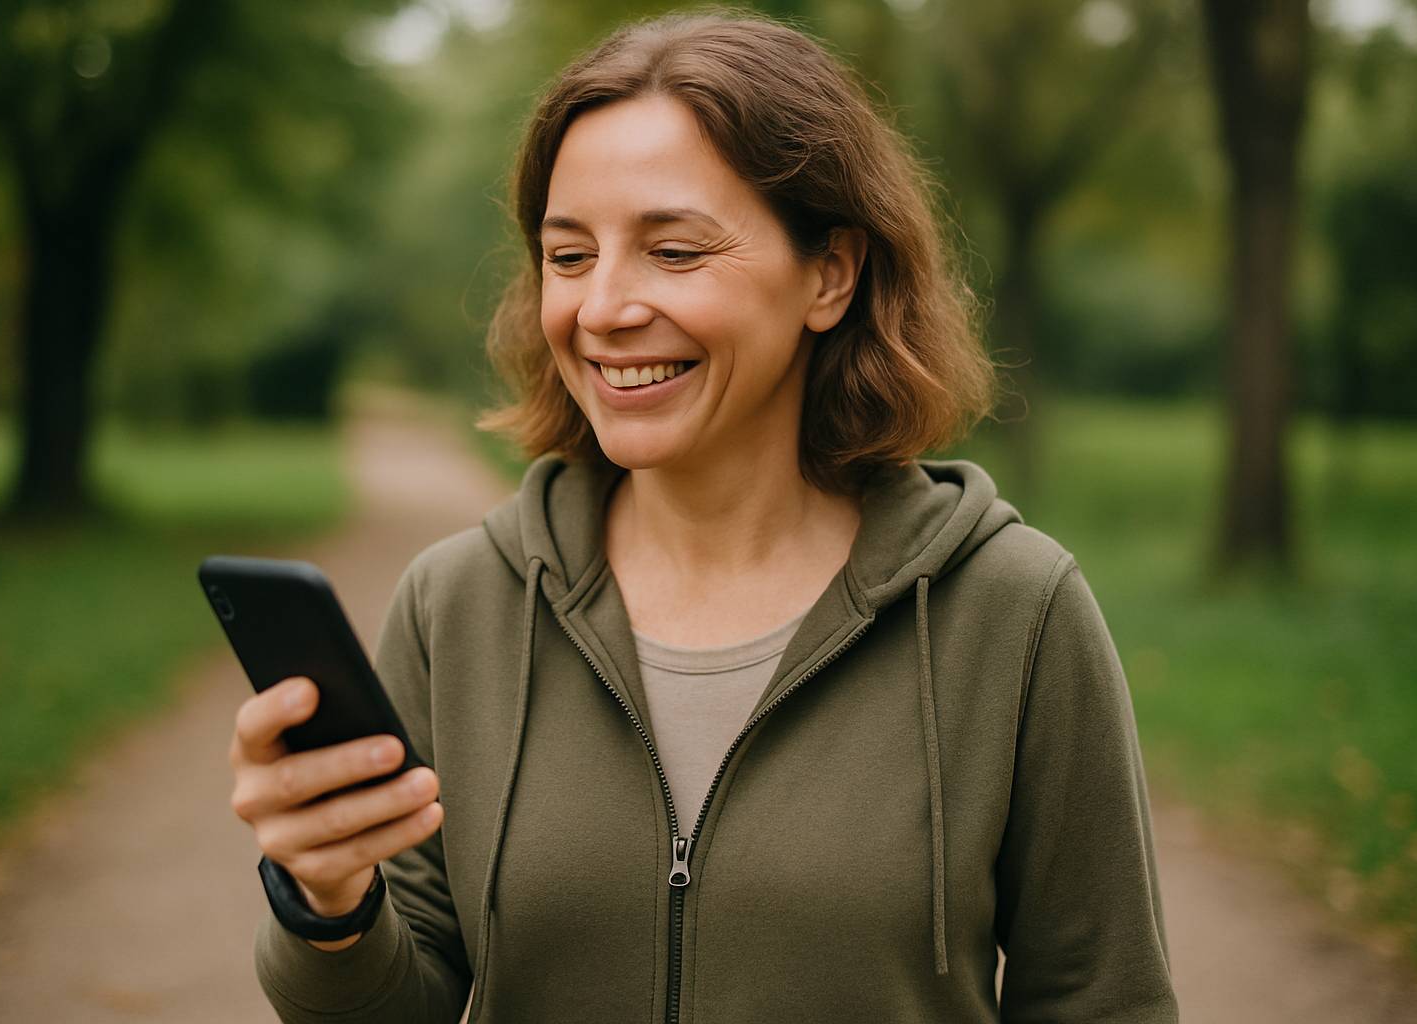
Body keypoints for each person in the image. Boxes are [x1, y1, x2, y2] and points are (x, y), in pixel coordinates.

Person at [228, 11, 1178, 1023]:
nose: (602, 309)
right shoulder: (456, 605)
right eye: (569, 255)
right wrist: (327, 902)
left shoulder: (1016, 612)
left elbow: (1101, 1002)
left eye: (673, 250)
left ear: (831, 273)